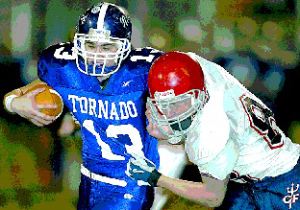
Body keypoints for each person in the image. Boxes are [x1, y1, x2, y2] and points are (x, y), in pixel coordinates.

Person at [3, 2, 163, 209]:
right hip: (91, 180)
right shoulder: (66, 68)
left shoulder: (143, 72)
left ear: (124, 46)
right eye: (90, 45)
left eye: (106, 46)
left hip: (133, 184)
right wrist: (15, 103)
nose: (97, 54)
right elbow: (18, 94)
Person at [126, 51, 300, 209]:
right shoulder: (195, 66)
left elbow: (213, 196)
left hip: (281, 181)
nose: (169, 112)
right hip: (249, 179)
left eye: (177, 105)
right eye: (164, 105)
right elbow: (169, 68)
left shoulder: (210, 131)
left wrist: (156, 178)